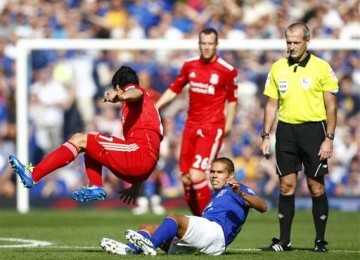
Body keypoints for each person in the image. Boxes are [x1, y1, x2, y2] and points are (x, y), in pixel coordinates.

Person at [9, 66, 163, 202]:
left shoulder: (135, 92)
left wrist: (121, 96)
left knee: (79, 139)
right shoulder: (144, 110)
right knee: (91, 144)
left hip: (138, 156)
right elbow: (151, 149)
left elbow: (135, 92)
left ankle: (34, 174)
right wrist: (137, 183)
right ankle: (95, 186)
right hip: (142, 165)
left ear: (118, 87)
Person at [260, 22, 339, 252]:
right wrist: (265, 135)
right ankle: (284, 241)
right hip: (285, 132)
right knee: (286, 186)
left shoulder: (321, 67)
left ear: (307, 41)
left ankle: (320, 241)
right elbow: (271, 103)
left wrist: (329, 138)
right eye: (288, 42)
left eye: (296, 42)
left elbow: (331, 106)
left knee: (316, 187)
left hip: (314, 131)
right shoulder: (277, 67)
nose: (291, 47)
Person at [99, 157, 267, 256]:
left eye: (220, 172)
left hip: (216, 235)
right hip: (202, 241)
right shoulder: (214, 194)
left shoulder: (238, 188)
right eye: (213, 172)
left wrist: (241, 194)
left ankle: (149, 246)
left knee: (174, 218)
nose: (214, 175)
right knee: (147, 227)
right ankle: (130, 250)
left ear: (230, 175)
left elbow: (263, 207)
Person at [155, 27, 239, 216]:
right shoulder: (189, 65)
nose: (207, 47)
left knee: (197, 175)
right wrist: (157, 106)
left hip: (212, 127)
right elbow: (174, 88)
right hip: (190, 126)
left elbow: (233, 101)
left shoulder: (227, 71)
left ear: (217, 45)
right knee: (185, 179)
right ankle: (197, 223)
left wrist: (229, 125)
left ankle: (208, 225)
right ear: (199, 44)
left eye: (211, 44)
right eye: (204, 43)